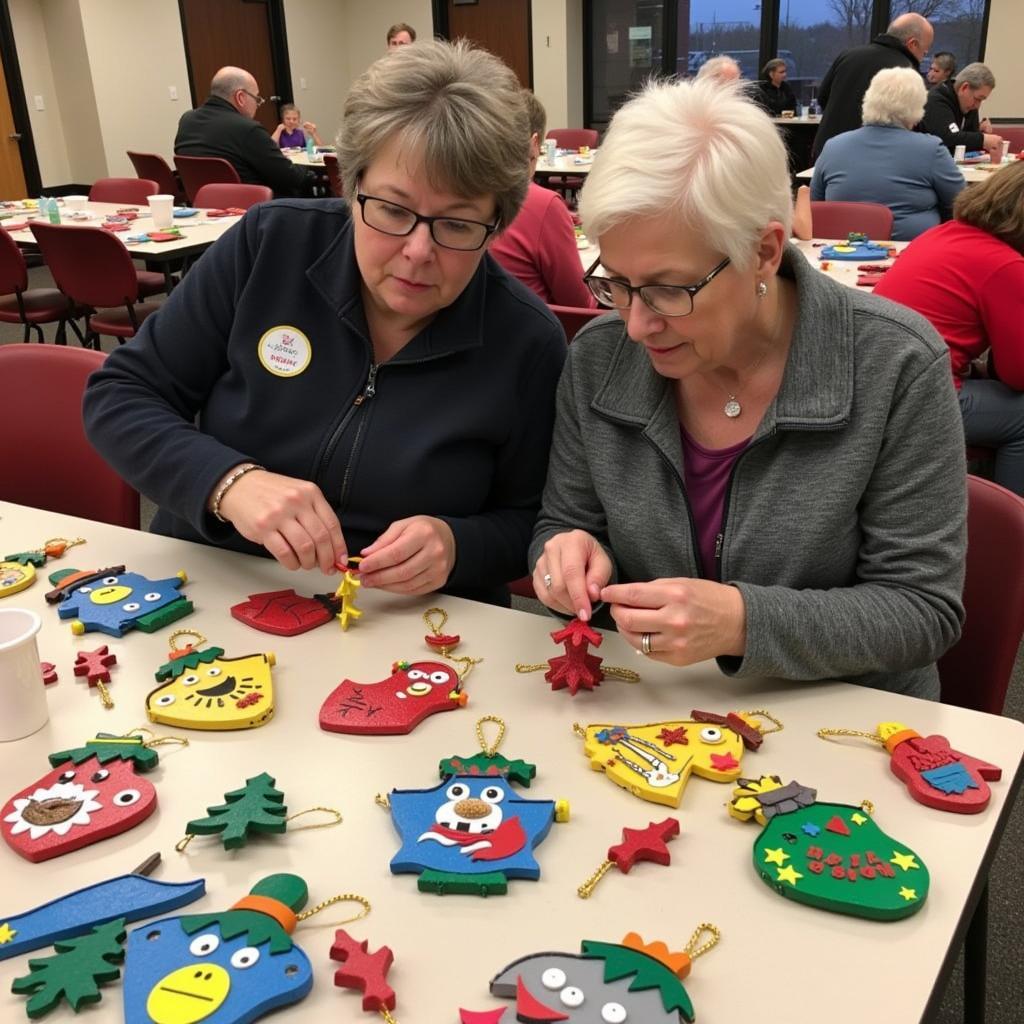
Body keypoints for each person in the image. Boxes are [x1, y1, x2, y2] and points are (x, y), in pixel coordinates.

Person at [529, 76, 966, 698]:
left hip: (845, 718)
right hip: (651, 711)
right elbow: (564, 522)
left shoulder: (893, 364)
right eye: (616, 283)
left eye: (668, 289)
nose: (634, 323)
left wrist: (740, 622)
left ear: (763, 250)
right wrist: (562, 562)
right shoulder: (599, 358)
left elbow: (923, 611)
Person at [85, 41, 566, 605]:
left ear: (498, 223)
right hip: (213, 586)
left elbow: (532, 523)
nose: (417, 251)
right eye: (390, 208)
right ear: (351, 185)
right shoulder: (269, 245)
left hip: (409, 628)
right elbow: (120, 395)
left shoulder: (527, 340)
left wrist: (458, 545)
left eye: (457, 225)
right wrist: (228, 482)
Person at [874, 163, 1024, 495]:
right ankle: (1011, 525)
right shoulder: (1005, 264)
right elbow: (1018, 374)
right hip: (916, 399)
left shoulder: (944, 233)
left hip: (877, 383)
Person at [811, 68, 964, 241]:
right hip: (910, 256)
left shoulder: (833, 146)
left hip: (837, 256)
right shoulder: (931, 149)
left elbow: (814, 206)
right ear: (917, 109)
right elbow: (961, 205)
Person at [490, 91, 596, 309]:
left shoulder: (464, 191)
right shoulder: (542, 204)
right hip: (540, 334)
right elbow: (579, 303)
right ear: (535, 143)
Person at [175, 67, 314, 198]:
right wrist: (305, 164)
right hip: (254, 208)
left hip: (203, 206)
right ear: (241, 97)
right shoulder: (247, 129)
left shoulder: (187, 120)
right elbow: (290, 177)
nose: (257, 105)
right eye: (257, 99)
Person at [812, 13, 933, 160]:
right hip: (870, 157)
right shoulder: (906, 72)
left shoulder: (848, 56)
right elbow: (911, 122)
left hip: (826, 150)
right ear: (912, 44)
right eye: (924, 52)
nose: (923, 57)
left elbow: (822, 98)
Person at [920, 62, 1003, 160]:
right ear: (964, 88)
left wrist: (981, 133)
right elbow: (948, 137)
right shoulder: (936, 100)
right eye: (978, 99)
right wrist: (983, 139)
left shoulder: (969, 105)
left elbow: (968, 140)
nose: (977, 105)